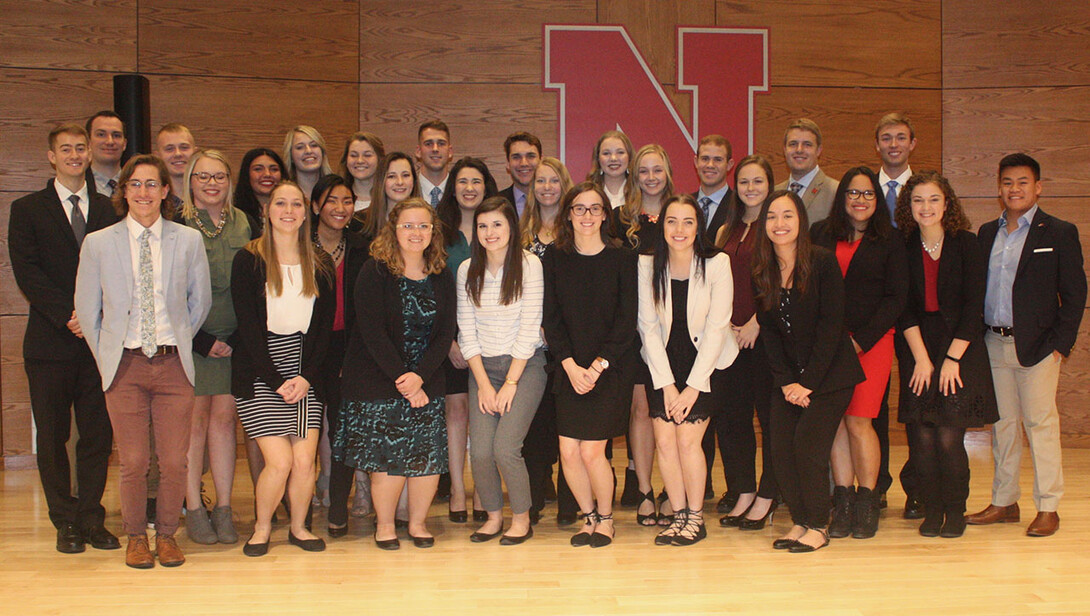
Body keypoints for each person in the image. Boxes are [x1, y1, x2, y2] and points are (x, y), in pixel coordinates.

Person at [74, 154, 212, 568]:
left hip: (173, 365)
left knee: (174, 460)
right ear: (124, 192)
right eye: (135, 184)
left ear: (166, 191)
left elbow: (199, 302)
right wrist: (107, 359)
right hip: (125, 366)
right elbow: (87, 309)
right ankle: (136, 536)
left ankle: (167, 535)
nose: (143, 192)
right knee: (133, 460)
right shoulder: (99, 243)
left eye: (152, 184)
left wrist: (179, 338)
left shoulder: (187, 240)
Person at [9, 124, 120, 555]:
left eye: (81, 148)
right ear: (51, 156)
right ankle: (64, 519)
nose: (75, 154)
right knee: (53, 436)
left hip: (99, 344)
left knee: (95, 435)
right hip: (50, 342)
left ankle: (92, 517)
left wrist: (93, 317)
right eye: (65, 149)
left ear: (90, 154)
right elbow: (28, 273)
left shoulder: (110, 211)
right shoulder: (27, 209)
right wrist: (70, 315)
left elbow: (118, 272)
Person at [967, 153, 1086, 537]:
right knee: (1002, 426)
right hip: (993, 343)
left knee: (1040, 426)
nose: (1014, 189)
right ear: (998, 187)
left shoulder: (1059, 232)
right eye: (1007, 182)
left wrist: (1061, 345)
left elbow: (1075, 292)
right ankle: (1004, 501)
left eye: (1022, 182)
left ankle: (1048, 506)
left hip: (1038, 348)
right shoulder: (987, 233)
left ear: (1037, 186)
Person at [335, 198, 456, 550]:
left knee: (427, 457)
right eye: (408, 225)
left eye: (423, 226)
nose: (416, 233)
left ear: (433, 232)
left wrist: (419, 376)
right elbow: (371, 332)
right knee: (386, 457)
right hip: (378, 378)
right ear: (394, 230)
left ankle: (418, 524)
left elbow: (445, 332)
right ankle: (385, 526)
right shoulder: (375, 271)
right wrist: (404, 379)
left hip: (426, 377)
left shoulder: (442, 274)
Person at [753, 190, 864, 553]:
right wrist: (787, 382)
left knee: (807, 448)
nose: (779, 224)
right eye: (771, 216)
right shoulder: (762, 269)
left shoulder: (822, 262)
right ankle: (800, 521)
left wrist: (807, 384)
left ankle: (819, 524)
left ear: (800, 220)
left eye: (787, 215)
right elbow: (769, 331)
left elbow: (832, 328)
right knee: (781, 450)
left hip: (829, 377)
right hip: (787, 380)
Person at [231, 181, 335, 557]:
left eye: (296, 204)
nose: (288, 210)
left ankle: (299, 527)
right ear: (267, 210)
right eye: (280, 203)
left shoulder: (320, 263)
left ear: (306, 213)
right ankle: (261, 529)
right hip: (261, 370)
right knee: (280, 460)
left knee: (306, 460)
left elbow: (323, 331)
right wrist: (277, 379)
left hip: (306, 370)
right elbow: (247, 327)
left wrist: (305, 376)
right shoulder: (249, 259)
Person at [893, 171, 998, 538]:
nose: (926, 207)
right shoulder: (901, 246)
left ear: (947, 202)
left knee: (949, 438)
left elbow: (974, 307)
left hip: (960, 348)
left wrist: (950, 360)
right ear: (908, 206)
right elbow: (902, 308)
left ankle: (955, 509)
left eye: (933, 199)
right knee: (921, 436)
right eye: (918, 200)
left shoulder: (966, 243)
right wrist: (922, 359)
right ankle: (931, 509)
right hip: (917, 346)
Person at [811, 167, 908, 539]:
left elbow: (896, 299)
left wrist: (861, 340)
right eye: (853, 193)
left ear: (877, 200)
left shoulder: (890, 240)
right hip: (828, 344)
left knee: (859, 421)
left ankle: (867, 501)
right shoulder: (821, 232)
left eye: (868, 194)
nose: (860, 200)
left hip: (872, 342)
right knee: (835, 420)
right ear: (842, 197)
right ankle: (844, 500)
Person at [637, 194, 737, 546]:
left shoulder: (717, 263)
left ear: (699, 227)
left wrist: (693, 387)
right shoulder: (648, 264)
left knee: (687, 439)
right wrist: (666, 385)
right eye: (672, 221)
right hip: (662, 361)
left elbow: (717, 327)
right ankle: (678, 514)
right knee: (665, 441)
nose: (679, 230)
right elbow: (647, 327)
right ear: (662, 225)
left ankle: (696, 516)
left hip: (706, 363)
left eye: (688, 222)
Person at [543, 182, 638, 548]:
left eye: (595, 208)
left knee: (591, 451)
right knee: (568, 451)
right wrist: (569, 365)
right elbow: (551, 318)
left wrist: (596, 367)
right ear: (568, 213)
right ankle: (589, 517)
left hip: (609, 369)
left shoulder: (622, 258)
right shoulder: (554, 256)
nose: (587, 216)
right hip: (568, 368)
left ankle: (607, 519)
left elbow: (626, 322)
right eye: (579, 208)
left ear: (605, 214)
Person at [458, 196, 547, 545]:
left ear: (512, 226)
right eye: (483, 225)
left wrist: (510, 382)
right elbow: (466, 331)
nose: (490, 232)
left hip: (523, 367)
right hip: (482, 370)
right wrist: (483, 383)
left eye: (497, 224)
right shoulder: (467, 269)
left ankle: (521, 518)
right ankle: (494, 516)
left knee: (505, 448)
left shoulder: (529, 265)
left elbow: (530, 327)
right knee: (479, 451)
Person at [177, 150, 255, 546]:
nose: (211, 184)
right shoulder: (176, 223)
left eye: (219, 176)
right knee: (194, 425)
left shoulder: (244, 221)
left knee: (226, 423)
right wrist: (200, 339)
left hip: (234, 338)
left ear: (229, 180)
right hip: (191, 339)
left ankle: (223, 508)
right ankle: (194, 508)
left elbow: (257, 281)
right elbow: (168, 290)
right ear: (190, 181)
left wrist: (239, 337)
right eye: (203, 176)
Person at [712, 155, 778, 528]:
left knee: (769, 421)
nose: (750, 188)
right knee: (732, 420)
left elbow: (783, 282)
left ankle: (769, 494)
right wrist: (727, 329)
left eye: (758, 181)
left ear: (770, 186)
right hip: (729, 340)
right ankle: (743, 490)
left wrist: (757, 322)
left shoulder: (777, 226)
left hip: (764, 337)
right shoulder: (725, 231)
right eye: (744, 182)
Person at [305, 175, 372, 537]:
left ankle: (338, 508)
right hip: (306, 351)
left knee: (344, 429)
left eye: (347, 201)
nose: (340, 209)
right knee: (307, 431)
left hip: (350, 350)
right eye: (332, 200)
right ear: (316, 205)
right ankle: (301, 506)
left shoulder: (364, 248)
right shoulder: (299, 246)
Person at [614, 143, 675, 525]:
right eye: (644, 171)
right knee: (639, 409)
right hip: (633, 326)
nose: (651, 177)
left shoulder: (680, 213)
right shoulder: (620, 219)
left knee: (667, 410)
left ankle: (673, 489)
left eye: (658, 169)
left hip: (674, 325)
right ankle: (645, 491)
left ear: (668, 172)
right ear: (634, 177)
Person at [436, 157, 500, 522]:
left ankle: (482, 492)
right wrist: (449, 343)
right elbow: (435, 292)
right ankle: (458, 490)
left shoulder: (497, 229)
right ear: (453, 188)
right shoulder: (441, 232)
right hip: (450, 341)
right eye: (463, 182)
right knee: (456, 413)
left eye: (477, 181)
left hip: (492, 343)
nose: (470, 188)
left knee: (482, 417)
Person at [519, 157, 575, 521]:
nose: (547, 187)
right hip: (532, 344)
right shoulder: (521, 234)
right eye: (540, 181)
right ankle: (535, 496)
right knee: (535, 427)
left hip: (570, 343)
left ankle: (571, 502)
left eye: (554, 180)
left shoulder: (576, 231)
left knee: (568, 425)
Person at [873, 112, 920, 517]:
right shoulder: (864, 190)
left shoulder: (924, 192)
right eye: (886, 138)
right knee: (873, 406)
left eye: (900, 138)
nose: (893, 144)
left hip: (917, 315)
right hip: (873, 316)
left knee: (917, 401)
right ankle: (878, 484)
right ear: (877, 146)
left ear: (912, 144)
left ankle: (919, 486)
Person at [774, 118, 837, 225]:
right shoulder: (774, 192)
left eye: (807, 144)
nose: (799, 150)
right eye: (793, 144)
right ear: (784, 150)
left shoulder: (835, 192)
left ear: (818, 150)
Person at [356, 151, 419, 240]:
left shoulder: (427, 221)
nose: (400, 182)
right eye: (391, 176)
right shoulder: (360, 222)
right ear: (381, 181)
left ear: (414, 179)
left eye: (405, 175)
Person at [692, 134, 735, 243]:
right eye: (705, 159)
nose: (710, 165)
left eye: (718, 159)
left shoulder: (739, 205)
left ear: (729, 165)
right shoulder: (684, 204)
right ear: (696, 162)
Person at [233, 148, 286, 234]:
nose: (267, 174)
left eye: (274, 169)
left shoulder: (291, 212)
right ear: (247, 174)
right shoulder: (235, 216)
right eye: (258, 169)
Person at [338, 132, 386, 213]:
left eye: (367, 155)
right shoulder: (336, 198)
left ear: (380, 159)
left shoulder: (390, 198)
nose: (360, 161)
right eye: (354, 155)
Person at [283, 125, 334, 200]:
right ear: (291, 156)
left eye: (314, 145)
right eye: (300, 147)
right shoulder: (282, 193)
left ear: (322, 152)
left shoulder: (336, 190)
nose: (308, 151)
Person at [586, 130, 634, 209]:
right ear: (598, 158)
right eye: (606, 153)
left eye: (620, 152)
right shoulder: (587, 193)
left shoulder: (640, 192)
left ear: (629, 157)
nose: (613, 158)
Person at [499, 131, 542, 216]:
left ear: (541, 161)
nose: (524, 163)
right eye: (516, 157)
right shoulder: (496, 202)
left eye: (531, 156)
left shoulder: (555, 201)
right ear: (508, 163)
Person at [155, 123, 196, 210]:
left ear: (195, 153)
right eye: (169, 149)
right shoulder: (153, 201)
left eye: (184, 147)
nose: (178, 154)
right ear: (157, 156)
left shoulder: (208, 196)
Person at [85, 110, 126, 197]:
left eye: (116, 135)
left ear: (124, 144)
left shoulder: (138, 184)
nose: (110, 142)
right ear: (88, 142)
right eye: (101, 135)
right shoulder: (77, 185)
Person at [416, 120, 454, 206]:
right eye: (428, 144)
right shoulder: (407, 190)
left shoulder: (460, 192)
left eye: (441, 143)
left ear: (450, 151)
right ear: (418, 151)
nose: (435, 149)